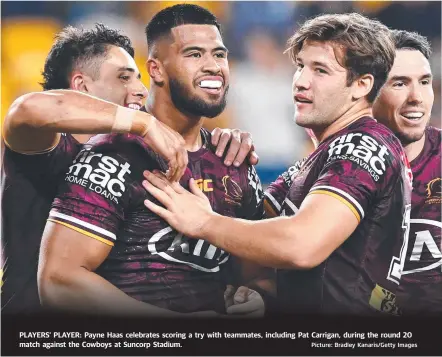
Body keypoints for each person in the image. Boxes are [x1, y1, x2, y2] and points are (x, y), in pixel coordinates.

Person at [142, 13, 413, 315]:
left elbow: (301, 244)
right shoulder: (313, 163)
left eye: (320, 71)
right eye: (300, 67)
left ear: (361, 85)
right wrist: (219, 156)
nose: (300, 82)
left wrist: (205, 223)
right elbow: (253, 231)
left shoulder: (365, 144)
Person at [2, 23, 255, 314]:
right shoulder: (46, 148)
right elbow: (26, 109)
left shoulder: (134, 154)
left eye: (139, 78)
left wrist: (220, 143)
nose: (139, 89)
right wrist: (142, 122)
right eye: (124, 77)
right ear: (82, 86)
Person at [372, 30, 441, 315]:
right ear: (367, 89)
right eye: (399, 83)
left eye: (424, 82)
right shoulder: (339, 166)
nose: (416, 97)